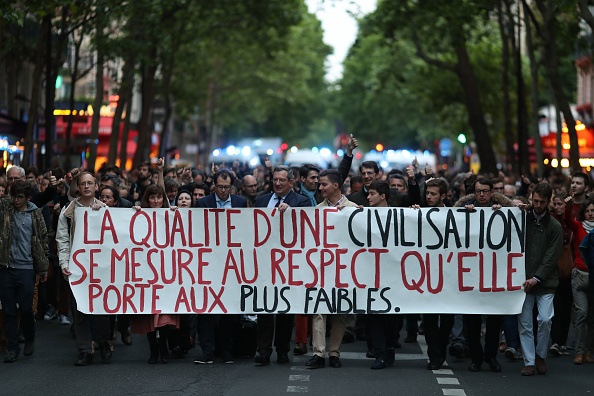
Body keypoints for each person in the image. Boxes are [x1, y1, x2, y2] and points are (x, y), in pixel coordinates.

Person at [253, 165, 311, 366]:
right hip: (265, 262)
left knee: (285, 309)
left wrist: (292, 212)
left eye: (282, 180)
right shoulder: (261, 201)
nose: (277, 183)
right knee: (265, 308)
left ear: (291, 182)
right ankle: (263, 350)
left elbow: (307, 227)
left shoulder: (301, 201)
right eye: (275, 179)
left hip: (288, 263)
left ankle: (283, 349)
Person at [56, 171, 112, 366]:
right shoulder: (68, 212)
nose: (87, 187)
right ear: (78, 188)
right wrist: (64, 264)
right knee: (79, 311)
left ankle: (103, 341)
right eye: (83, 184)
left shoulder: (106, 209)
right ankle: (85, 350)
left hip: (100, 269)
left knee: (100, 310)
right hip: (77, 270)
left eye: (90, 183)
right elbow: (62, 240)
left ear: (96, 186)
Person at [456, 178, 511, 373]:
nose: (481, 195)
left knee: (494, 320)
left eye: (485, 191)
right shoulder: (463, 209)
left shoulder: (502, 209)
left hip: (493, 273)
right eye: (478, 191)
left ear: (491, 193)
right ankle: (476, 357)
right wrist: (464, 215)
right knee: (472, 320)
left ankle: (491, 356)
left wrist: (502, 213)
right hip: (471, 273)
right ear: (474, 192)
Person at [305, 169, 358, 370]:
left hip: (344, 269)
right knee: (319, 310)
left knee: (340, 312)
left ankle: (334, 352)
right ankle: (318, 353)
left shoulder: (354, 209)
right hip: (321, 268)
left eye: (324, 184)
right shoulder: (317, 210)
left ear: (336, 185)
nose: (320, 188)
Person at [194, 169, 247, 364]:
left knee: (228, 309)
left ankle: (226, 350)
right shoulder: (202, 204)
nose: (223, 191)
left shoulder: (240, 203)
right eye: (220, 187)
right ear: (213, 185)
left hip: (231, 264)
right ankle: (207, 350)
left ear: (232, 187)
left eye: (227, 187)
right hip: (208, 262)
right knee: (206, 310)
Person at [0, 180, 49, 363]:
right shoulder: (5, 209)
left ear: (28, 198)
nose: (16, 200)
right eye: (14, 196)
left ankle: (30, 336)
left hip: (27, 268)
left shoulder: (35, 214)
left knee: (27, 308)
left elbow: (43, 240)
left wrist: (43, 268)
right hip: (6, 267)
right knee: (9, 310)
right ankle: (13, 348)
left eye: (20, 197)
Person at [131, 184, 180, 364]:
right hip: (145, 272)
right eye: (152, 197)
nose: (156, 201)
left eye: (159, 197)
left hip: (166, 272)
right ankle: (153, 350)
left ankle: (164, 349)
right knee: (148, 315)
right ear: (147, 199)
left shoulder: (169, 214)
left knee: (164, 315)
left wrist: (176, 213)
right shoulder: (139, 215)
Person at [518, 182, 563, 376]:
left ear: (548, 202)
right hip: (523, 279)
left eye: (541, 202)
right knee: (525, 323)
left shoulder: (554, 226)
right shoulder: (522, 218)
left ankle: (540, 355)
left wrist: (537, 277)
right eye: (535, 201)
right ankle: (529, 360)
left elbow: (552, 256)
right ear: (531, 198)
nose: (537, 205)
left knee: (545, 320)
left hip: (544, 282)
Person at [411, 178, 454, 370]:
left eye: (433, 194)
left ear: (443, 196)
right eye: (427, 193)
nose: (428, 197)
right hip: (427, 274)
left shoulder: (455, 213)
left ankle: (441, 348)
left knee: (447, 318)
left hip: (450, 275)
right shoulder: (419, 212)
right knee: (429, 318)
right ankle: (434, 355)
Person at [365, 180, 399, 370]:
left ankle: (390, 346)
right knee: (374, 315)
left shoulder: (398, 215)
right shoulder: (363, 215)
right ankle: (380, 354)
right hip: (370, 273)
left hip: (393, 273)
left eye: (371, 194)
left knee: (391, 316)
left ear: (382, 196)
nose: (368, 197)